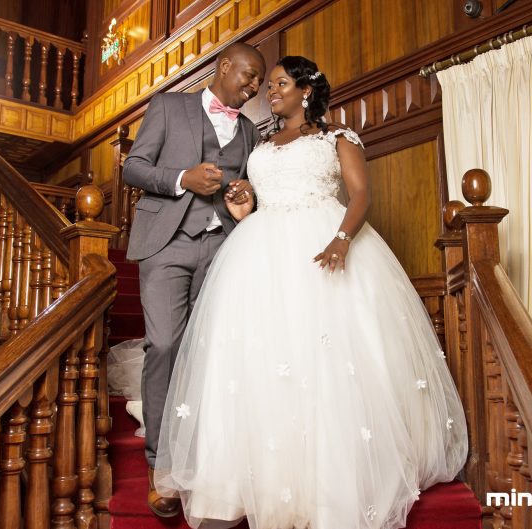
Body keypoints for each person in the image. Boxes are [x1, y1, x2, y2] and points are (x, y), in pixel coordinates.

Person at [154, 56, 468, 529]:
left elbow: (360, 194)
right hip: (259, 252)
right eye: (268, 84)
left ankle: (325, 487)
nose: (270, 92)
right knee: (259, 362)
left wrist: (341, 240)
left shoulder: (336, 137)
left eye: (279, 83)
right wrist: (243, 206)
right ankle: (243, 479)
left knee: (321, 360)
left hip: (322, 243)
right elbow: (260, 197)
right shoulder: (259, 141)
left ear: (306, 90)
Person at [122, 42, 267, 518]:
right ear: (224, 66)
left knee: (208, 355)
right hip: (167, 243)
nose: (252, 87)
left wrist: (243, 191)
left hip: (221, 246)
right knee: (164, 346)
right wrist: (182, 177)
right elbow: (132, 168)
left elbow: (243, 186)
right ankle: (160, 466)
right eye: (247, 76)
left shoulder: (249, 131)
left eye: (258, 83)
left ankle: (203, 461)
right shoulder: (169, 105)